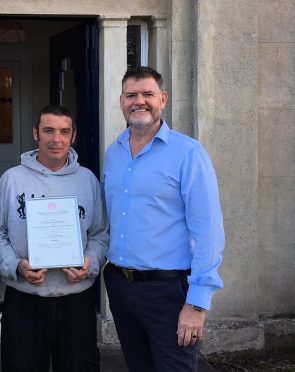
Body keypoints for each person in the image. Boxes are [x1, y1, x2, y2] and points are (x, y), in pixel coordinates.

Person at [102, 66, 225, 372]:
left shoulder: (188, 154)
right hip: (120, 285)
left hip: (168, 292)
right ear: (121, 101)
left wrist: (197, 304)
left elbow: (208, 231)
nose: (139, 101)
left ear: (163, 99)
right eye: (131, 95)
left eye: (148, 94)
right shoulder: (113, 153)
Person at [0, 105, 108, 372]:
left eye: (64, 132)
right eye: (49, 131)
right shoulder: (11, 180)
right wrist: (15, 266)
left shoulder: (87, 181)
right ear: (35, 133)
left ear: (73, 136)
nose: (56, 139)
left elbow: (100, 234)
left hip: (76, 301)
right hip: (25, 300)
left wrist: (89, 263)